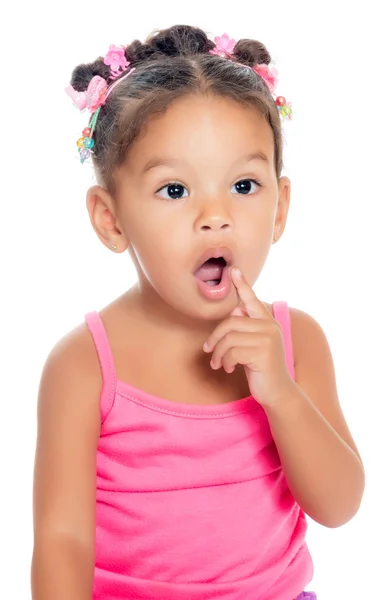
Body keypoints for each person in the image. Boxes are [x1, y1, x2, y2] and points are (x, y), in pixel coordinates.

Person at [31, 24, 365, 600]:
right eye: (175, 191)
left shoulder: (297, 341)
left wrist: (281, 393)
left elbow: (338, 506)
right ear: (112, 220)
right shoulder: (83, 366)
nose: (216, 216)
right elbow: (62, 540)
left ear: (280, 207)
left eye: (243, 184)